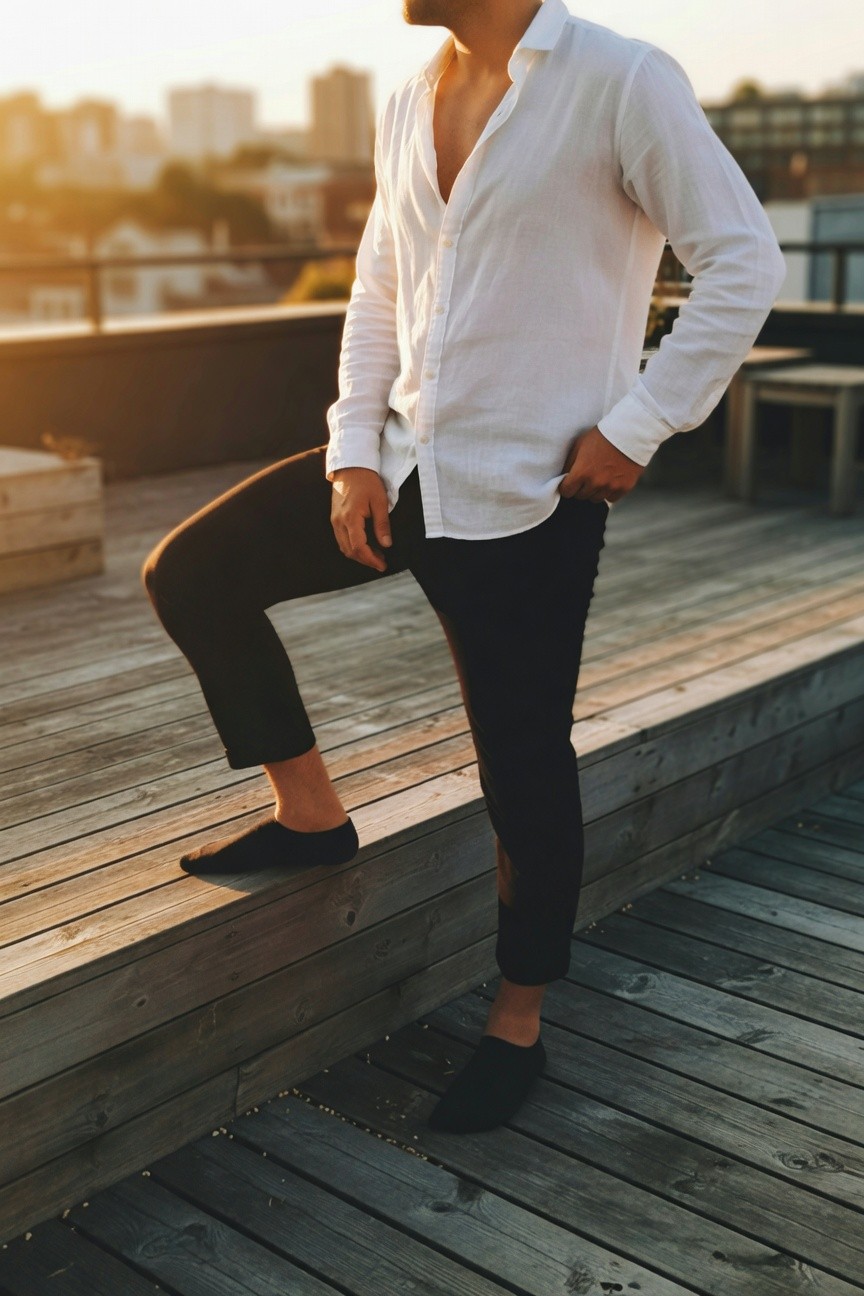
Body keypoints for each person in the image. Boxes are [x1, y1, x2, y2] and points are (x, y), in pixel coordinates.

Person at [142, 0, 786, 1135]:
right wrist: (350, 456)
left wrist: (640, 426)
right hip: (400, 464)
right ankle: (311, 818)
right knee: (191, 574)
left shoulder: (621, 79)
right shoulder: (410, 98)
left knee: (521, 767)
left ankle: (518, 1021)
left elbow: (743, 261)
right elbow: (380, 288)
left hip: (531, 492)